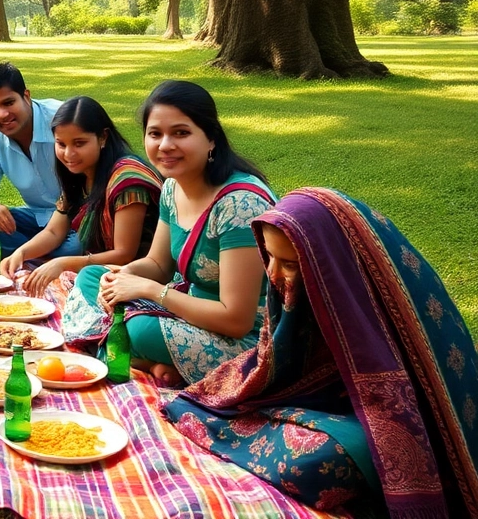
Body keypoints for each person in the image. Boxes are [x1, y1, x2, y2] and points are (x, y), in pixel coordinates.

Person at [164, 188, 478, 516]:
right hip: (320, 405)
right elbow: (271, 361)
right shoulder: (290, 291)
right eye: (268, 256)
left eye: (289, 264)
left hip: (376, 420)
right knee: (212, 395)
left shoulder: (372, 303)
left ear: (330, 263)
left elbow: (397, 416)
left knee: (322, 457)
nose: (271, 274)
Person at [61, 80, 275, 386]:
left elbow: (236, 320)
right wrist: (124, 275)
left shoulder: (240, 204)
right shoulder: (173, 186)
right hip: (185, 308)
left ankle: (131, 353)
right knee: (91, 277)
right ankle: (142, 358)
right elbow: (159, 265)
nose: (165, 146)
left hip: (245, 340)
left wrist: (149, 291)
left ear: (211, 138)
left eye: (181, 133)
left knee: (138, 330)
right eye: (155, 134)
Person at [2, 96, 162, 296]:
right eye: (61, 144)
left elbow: (124, 254)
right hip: (104, 271)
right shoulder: (79, 174)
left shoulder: (127, 182)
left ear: (103, 138)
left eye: (79, 143)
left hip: (138, 278)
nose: (69, 154)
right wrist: (21, 253)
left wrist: (63, 264)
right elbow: (54, 232)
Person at [0, 62, 82, 255]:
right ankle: (37, 254)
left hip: (75, 216)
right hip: (36, 216)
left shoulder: (61, 119)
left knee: (75, 246)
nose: (2, 115)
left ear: (26, 96)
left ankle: (29, 254)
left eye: (8, 103)